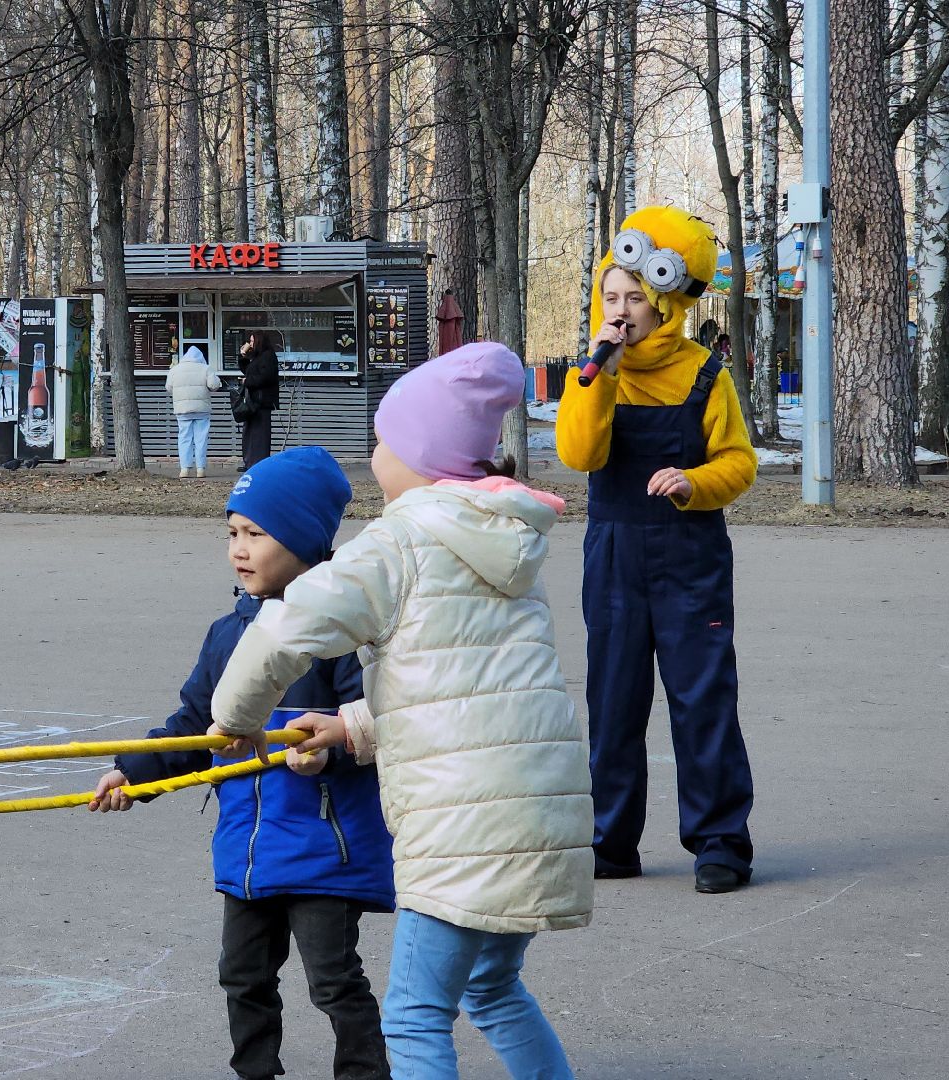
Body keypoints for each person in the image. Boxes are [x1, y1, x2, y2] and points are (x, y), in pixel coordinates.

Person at [208, 343, 593, 1080]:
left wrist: (234, 717)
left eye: (384, 441)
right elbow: (465, 698)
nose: (376, 455)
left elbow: (286, 629)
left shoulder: (400, 538)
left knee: (415, 1019)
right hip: (537, 816)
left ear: (419, 457)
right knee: (492, 987)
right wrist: (352, 726)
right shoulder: (501, 541)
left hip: (462, 831)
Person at [90, 447, 394, 1080]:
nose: (239, 548)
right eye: (232, 532)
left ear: (307, 540)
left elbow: (374, 728)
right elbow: (191, 729)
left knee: (334, 983)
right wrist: (133, 774)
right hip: (247, 851)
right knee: (243, 978)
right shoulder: (227, 633)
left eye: (256, 533)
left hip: (322, 853)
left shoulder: (341, 632)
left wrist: (325, 747)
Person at [556, 206, 760, 894]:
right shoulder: (593, 370)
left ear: (665, 302)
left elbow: (739, 464)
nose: (621, 311)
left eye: (635, 299)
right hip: (612, 549)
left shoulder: (706, 373)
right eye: (610, 297)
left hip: (689, 553)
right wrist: (600, 374)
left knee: (701, 697)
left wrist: (694, 482)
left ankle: (720, 841)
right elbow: (579, 451)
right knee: (613, 699)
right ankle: (610, 839)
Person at [169, 345, 222, 477]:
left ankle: (184, 469)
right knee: (201, 439)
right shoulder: (205, 368)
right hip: (201, 409)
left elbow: (169, 387)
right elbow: (214, 385)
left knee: (184, 438)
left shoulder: (175, 369)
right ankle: (200, 469)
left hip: (182, 410)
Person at [237, 330, 279, 468]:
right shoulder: (257, 356)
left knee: (260, 434)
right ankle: (249, 461)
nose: (250, 343)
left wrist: (247, 381)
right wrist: (243, 356)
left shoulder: (268, 356)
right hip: (253, 400)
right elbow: (248, 370)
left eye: (252, 340)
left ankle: (259, 462)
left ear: (259, 340)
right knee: (249, 432)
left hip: (262, 401)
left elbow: (266, 377)